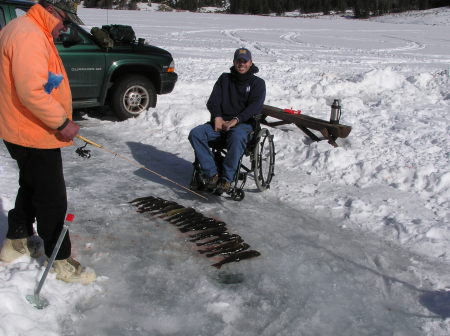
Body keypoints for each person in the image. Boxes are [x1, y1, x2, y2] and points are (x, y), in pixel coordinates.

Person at [0, 0, 95, 284]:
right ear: (52, 11)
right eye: (65, 22)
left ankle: (16, 241)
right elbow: (31, 91)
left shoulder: (26, 28)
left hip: (23, 129)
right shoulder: (28, 34)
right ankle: (60, 261)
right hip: (32, 132)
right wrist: (62, 122)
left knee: (31, 185)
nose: (65, 29)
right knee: (52, 198)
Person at [189, 48, 266, 193]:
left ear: (250, 62)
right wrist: (217, 117)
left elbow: (254, 108)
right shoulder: (225, 79)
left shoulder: (258, 83)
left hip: (243, 125)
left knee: (236, 137)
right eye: (239, 61)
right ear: (234, 62)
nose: (241, 64)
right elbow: (213, 101)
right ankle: (212, 174)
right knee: (196, 134)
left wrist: (236, 120)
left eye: (245, 61)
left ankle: (226, 179)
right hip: (220, 124)